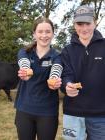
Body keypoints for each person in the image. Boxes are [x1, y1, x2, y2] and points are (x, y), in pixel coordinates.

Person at [14, 17, 63, 140]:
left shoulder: (57, 56)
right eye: (40, 31)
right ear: (34, 34)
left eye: (48, 31)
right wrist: (25, 72)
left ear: (53, 33)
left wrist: (54, 81)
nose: (44, 35)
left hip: (47, 112)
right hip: (24, 110)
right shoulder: (24, 52)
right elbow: (24, 63)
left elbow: (56, 69)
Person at [61, 5, 105, 140]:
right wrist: (67, 85)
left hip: (101, 114)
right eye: (80, 23)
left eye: (88, 23)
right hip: (73, 113)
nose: (84, 28)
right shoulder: (67, 50)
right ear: (74, 24)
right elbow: (65, 75)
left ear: (95, 22)